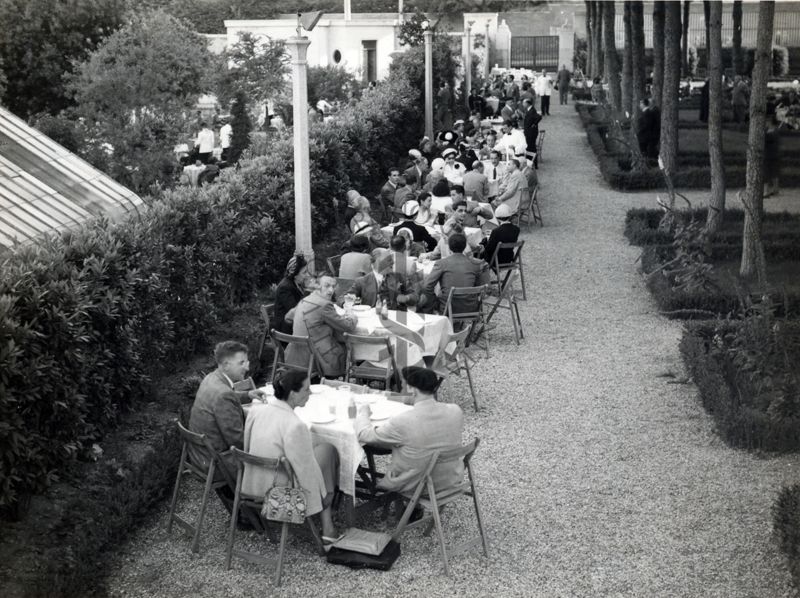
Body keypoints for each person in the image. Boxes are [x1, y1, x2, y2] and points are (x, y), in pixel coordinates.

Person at [243, 370, 341, 542]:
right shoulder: (295, 425)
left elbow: (247, 447)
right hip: (280, 492)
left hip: (252, 483)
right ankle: (328, 525)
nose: (310, 394)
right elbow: (305, 472)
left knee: (317, 450)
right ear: (293, 394)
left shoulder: (255, 411)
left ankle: (328, 523)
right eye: (306, 390)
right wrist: (324, 496)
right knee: (328, 450)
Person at [355, 366, 464, 494]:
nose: (401, 387)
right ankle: (415, 509)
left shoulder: (403, 421)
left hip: (416, 485)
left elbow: (364, 435)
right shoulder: (455, 411)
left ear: (413, 390)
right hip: (450, 479)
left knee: (384, 445)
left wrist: (363, 412)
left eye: (403, 385)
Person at [189, 341, 266, 519]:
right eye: (241, 363)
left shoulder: (212, 378)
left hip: (199, 455)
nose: (247, 367)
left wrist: (247, 395)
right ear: (225, 365)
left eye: (246, 361)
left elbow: (224, 396)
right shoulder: (223, 394)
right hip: (217, 462)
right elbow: (237, 441)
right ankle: (257, 511)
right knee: (274, 456)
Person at [286, 274, 357, 377]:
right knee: (348, 345)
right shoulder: (324, 305)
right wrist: (352, 316)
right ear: (317, 286)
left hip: (294, 354)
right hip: (315, 356)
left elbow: (288, 318)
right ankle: (350, 377)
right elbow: (348, 326)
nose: (331, 290)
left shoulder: (305, 299)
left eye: (333, 286)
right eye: (327, 286)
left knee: (336, 335)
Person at [418, 233, 490, 314]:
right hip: (471, 307)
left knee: (424, 301)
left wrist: (434, 300)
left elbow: (427, 286)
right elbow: (485, 271)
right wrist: (478, 290)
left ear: (449, 247)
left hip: (447, 308)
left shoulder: (442, 263)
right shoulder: (476, 264)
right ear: (465, 246)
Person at [274, 254, 311, 334]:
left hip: (295, 323)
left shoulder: (296, 283)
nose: (307, 275)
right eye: (304, 272)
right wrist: (308, 291)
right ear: (295, 274)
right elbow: (296, 311)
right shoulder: (284, 288)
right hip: (285, 328)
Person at [522, 98, 542, 168]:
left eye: (523, 103)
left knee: (531, 148)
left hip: (531, 133)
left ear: (527, 103)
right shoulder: (530, 110)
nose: (523, 104)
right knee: (531, 147)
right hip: (530, 132)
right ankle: (531, 162)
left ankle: (533, 163)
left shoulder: (532, 110)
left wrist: (534, 124)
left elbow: (539, 117)